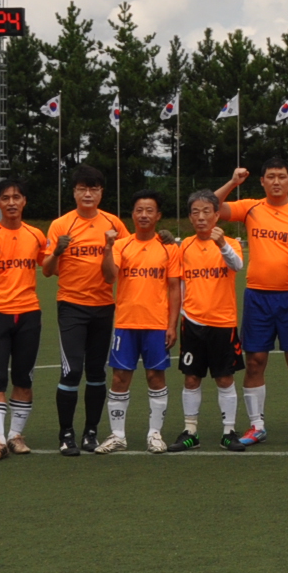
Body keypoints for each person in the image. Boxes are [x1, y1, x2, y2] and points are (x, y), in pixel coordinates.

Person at [212, 158, 288, 446]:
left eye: (281, 176)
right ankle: (256, 425)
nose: (276, 181)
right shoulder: (251, 207)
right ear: (262, 181)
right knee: (255, 361)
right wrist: (233, 182)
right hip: (258, 297)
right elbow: (212, 208)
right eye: (270, 176)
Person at [42, 165, 128, 454]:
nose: (88, 194)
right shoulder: (61, 225)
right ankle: (66, 434)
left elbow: (127, 256)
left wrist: (161, 241)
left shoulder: (113, 224)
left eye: (93, 188)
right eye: (82, 188)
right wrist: (57, 251)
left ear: (101, 192)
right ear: (74, 192)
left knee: (96, 372)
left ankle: (91, 432)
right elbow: (47, 270)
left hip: (103, 306)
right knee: (72, 371)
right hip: (71, 306)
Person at [99, 191, 181, 453]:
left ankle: (154, 434)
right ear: (132, 214)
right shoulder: (121, 245)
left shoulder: (169, 247)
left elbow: (174, 288)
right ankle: (117, 435)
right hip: (126, 323)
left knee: (156, 377)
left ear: (158, 216)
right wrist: (108, 248)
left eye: (149, 210)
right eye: (139, 210)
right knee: (119, 378)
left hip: (157, 324)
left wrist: (172, 325)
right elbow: (109, 277)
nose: (144, 215)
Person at [0, 178, 49, 461]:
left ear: (24, 201)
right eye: (5, 198)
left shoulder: (35, 234)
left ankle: (15, 435)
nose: (11, 202)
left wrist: (60, 251)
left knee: (23, 378)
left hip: (28, 313)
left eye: (16, 197)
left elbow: (48, 267)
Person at [176, 188, 246, 450]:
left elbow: (237, 265)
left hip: (223, 323)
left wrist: (222, 245)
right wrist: (182, 314)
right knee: (191, 378)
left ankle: (229, 432)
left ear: (217, 215)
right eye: (195, 212)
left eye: (207, 211)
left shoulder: (230, 243)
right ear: (190, 217)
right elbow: (180, 284)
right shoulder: (185, 246)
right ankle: (190, 431)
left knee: (224, 378)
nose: (201, 217)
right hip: (193, 323)